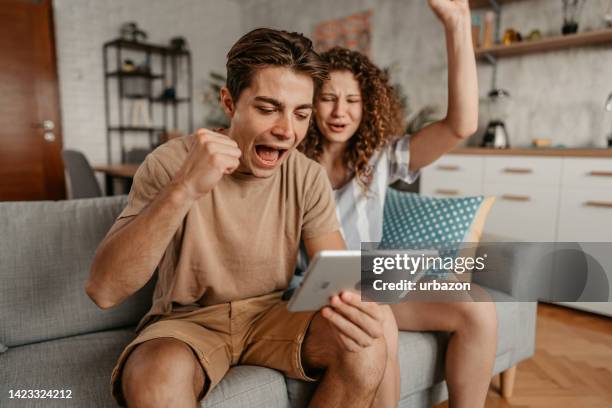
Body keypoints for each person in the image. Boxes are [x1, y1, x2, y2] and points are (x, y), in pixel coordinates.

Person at [86, 28, 397, 408]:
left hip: (273, 314)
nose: (286, 131)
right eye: (268, 109)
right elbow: (104, 290)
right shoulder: (171, 162)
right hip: (188, 321)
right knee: (154, 378)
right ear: (230, 103)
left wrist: (363, 304)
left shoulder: (306, 174)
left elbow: (337, 273)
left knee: (364, 347)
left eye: (301, 114)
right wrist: (183, 188)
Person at [298, 1, 498, 407]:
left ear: (367, 104)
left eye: (352, 100)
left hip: (369, 283)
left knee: (477, 306)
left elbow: (461, 125)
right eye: (328, 99)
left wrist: (457, 25)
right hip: (310, 290)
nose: (340, 112)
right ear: (309, 102)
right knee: (378, 318)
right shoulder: (291, 162)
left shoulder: (378, 157)